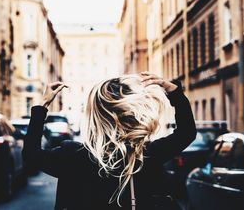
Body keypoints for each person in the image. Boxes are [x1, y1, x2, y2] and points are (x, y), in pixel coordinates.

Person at [23, 72, 196, 210]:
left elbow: (31, 155)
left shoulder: (72, 156)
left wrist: (42, 107)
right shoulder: (142, 156)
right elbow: (186, 133)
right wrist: (174, 92)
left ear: (95, 115)